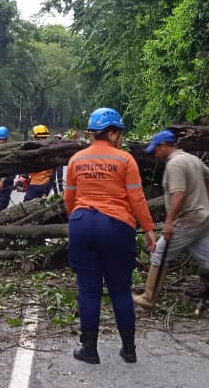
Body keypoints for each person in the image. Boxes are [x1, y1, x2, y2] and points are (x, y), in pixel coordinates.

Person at [64, 107, 156, 365]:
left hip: (82, 223)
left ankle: (89, 350)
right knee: (120, 290)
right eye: (120, 133)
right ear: (112, 133)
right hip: (117, 226)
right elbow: (136, 198)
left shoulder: (76, 160)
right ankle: (128, 350)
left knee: (89, 291)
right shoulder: (125, 160)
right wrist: (148, 229)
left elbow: (69, 199)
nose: (122, 138)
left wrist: (79, 221)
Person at [133, 130, 209, 316]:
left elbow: (179, 194)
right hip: (203, 219)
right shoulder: (192, 159)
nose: (156, 153)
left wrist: (169, 222)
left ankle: (149, 298)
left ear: (165, 145)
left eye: (157, 149)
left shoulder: (175, 164)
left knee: (158, 254)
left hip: (187, 220)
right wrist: (208, 205)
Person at [22, 125, 54, 201]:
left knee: (26, 204)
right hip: (47, 184)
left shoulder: (35, 152)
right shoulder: (51, 150)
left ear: (37, 138)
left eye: (34, 137)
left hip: (36, 184)